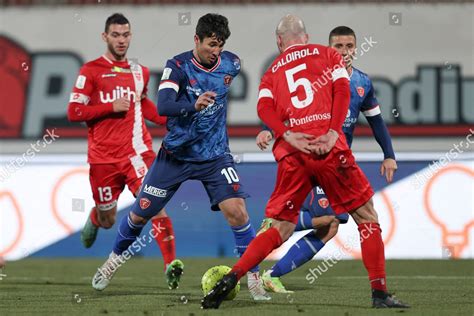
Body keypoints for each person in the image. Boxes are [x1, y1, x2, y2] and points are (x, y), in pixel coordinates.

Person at [201, 15, 409, 309]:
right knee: (366, 216)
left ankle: (232, 277)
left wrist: (285, 133)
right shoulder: (327, 55)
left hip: (292, 154)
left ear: (279, 42)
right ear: (307, 36)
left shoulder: (272, 70)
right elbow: (340, 90)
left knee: (281, 227)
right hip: (328, 150)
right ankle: (379, 292)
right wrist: (333, 131)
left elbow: (263, 106)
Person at [90, 13, 269, 301]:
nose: (216, 51)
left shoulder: (231, 64)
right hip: (176, 155)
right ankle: (113, 261)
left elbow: (261, 87)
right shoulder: (178, 67)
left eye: (220, 45)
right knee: (140, 212)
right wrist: (193, 105)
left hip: (215, 156)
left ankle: (255, 277)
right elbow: (163, 105)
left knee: (238, 211)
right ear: (196, 39)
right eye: (211, 44)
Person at [257, 25, 398, 294]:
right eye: (338, 47)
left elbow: (377, 122)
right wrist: (267, 130)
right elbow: (285, 107)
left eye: (349, 46)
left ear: (356, 48)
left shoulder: (362, 83)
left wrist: (389, 155)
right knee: (329, 219)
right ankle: (272, 231)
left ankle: (273, 271)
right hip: (308, 158)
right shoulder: (316, 74)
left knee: (332, 224)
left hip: (337, 162)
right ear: (328, 48)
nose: (344, 52)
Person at [67, 13, 182, 290]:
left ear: (131, 36)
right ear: (105, 37)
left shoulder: (138, 71)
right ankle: (96, 217)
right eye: (116, 35)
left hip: (137, 154)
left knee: (154, 207)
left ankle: (170, 265)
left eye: (126, 34)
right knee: (109, 220)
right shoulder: (90, 71)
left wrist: (175, 119)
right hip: (103, 160)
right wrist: (109, 107)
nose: (121, 40)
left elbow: (146, 108)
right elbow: (74, 112)